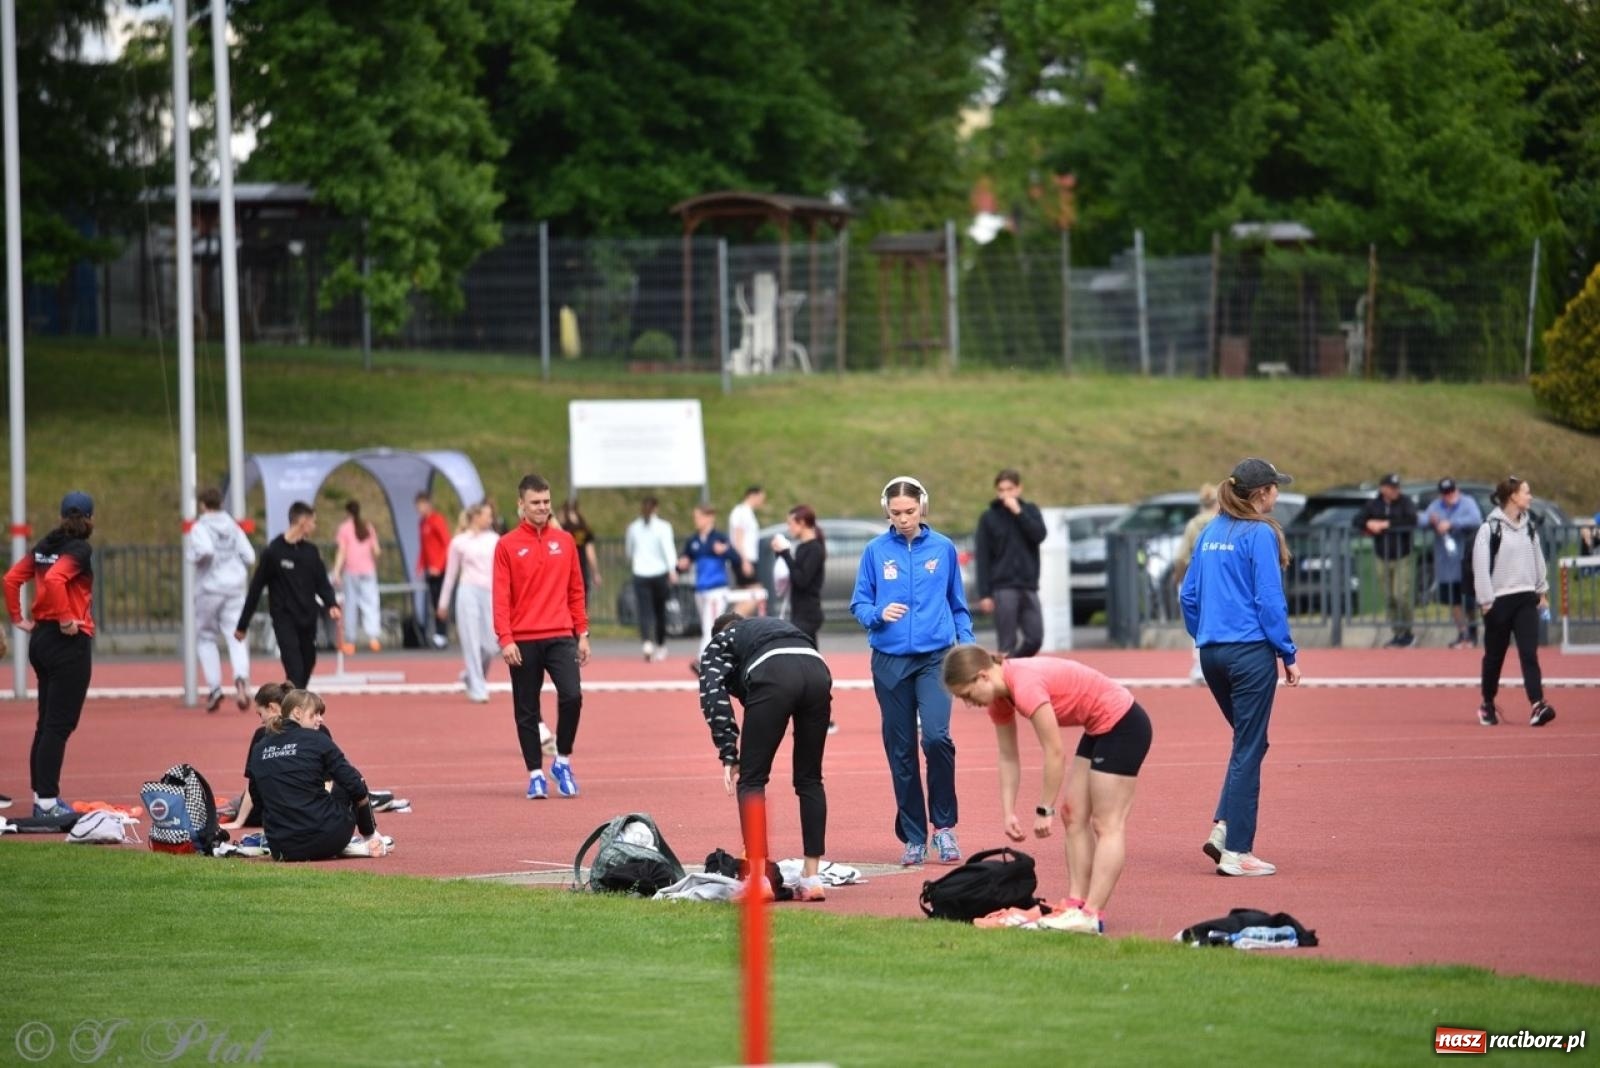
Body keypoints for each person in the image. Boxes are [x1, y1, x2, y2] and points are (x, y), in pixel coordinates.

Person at [942, 645, 1153, 935]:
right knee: (1073, 814)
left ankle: (1092, 914)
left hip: (1123, 725)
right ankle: (1076, 905)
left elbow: (1054, 752)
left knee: (1107, 823)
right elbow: (1007, 756)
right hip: (1099, 728)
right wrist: (1008, 813)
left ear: (982, 677)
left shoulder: (1025, 685)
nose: (969, 703)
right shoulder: (999, 699)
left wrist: (1044, 808)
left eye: (967, 695)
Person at [1180, 458, 1302, 878]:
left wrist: (1204, 635)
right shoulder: (1260, 534)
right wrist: (1287, 652)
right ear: (1261, 493)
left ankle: (1223, 826)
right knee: (1249, 745)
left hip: (1212, 654)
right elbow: (1270, 599)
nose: (1278, 495)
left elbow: (1188, 596)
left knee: (1249, 742)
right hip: (1249, 654)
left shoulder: (1210, 530)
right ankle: (1238, 850)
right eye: (1275, 488)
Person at [851, 476, 974, 867]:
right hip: (889, 662)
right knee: (900, 750)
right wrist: (877, 615)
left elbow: (958, 605)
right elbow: (859, 603)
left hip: (935, 658)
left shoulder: (943, 548)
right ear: (885, 510)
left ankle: (945, 828)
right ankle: (914, 837)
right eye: (896, 513)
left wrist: (967, 645)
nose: (904, 519)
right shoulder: (874, 551)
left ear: (923, 506)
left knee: (937, 738)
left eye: (910, 511)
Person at [697, 611, 833, 902]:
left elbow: (712, 695)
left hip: (774, 674)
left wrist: (729, 752)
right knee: (810, 779)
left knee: (752, 781)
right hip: (817, 670)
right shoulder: (770, 626)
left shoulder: (721, 641)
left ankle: (758, 879)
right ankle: (812, 878)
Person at [494, 473, 590, 800]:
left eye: (546, 502)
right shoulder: (506, 544)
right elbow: (500, 596)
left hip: (561, 634)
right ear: (521, 504)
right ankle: (535, 773)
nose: (542, 508)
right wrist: (505, 638)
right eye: (535, 503)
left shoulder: (565, 543)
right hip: (522, 640)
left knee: (572, 695)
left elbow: (576, 590)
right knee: (527, 709)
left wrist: (583, 633)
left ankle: (562, 760)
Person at [4, 491, 98, 819]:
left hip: (40, 639)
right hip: (66, 641)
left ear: (62, 516)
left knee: (46, 724)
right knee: (59, 725)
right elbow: (58, 580)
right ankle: (46, 801)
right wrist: (65, 617)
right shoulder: (79, 549)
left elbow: (11, 578)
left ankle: (41, 796)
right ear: (90, 518)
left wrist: (17, 618)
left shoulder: (45, 546)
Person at [247, 688, 390, 861]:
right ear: (298, 713)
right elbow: (355, 785)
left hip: (281, 847)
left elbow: (257, 798)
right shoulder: (318, 740)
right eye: (315, 714)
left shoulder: (259, 747)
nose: (320, 720)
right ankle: (371, 837)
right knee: (354, 779)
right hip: (328, 838)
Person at [1473, 476, 1556, 728]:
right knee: (1494, 657)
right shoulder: (1489, 529)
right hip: (1498, 602)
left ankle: (1537, 704)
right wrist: (1486, 602)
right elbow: (1480, 566)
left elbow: (1537, 559)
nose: (1530, 497)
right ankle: (1487, 703)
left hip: (1525, 599)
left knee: (1529, 653)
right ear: (1513, 497)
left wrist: (1541, 590)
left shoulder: (1529, 527)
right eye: (1526, 492)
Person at [234, 500, 342, 689]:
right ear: (303, 521)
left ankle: (291, 701)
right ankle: (294, 713)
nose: (314, 527)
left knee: (308, 663)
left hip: (308, 618)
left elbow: (322, 583)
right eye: (313, 522)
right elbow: (256, 588)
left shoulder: (311, 552)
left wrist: (332, 604)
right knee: (295, 669)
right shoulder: (274, 552)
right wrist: (243, 624)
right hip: (284, 619)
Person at [188, 487, 257, 711]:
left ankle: (215, 687)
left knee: (206, 637)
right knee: (236, 635)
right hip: (234, 588)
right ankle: (241, 678)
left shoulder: (200, 527)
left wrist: (195, 557)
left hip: (209, 589)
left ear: (203, 505)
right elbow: (249, 556)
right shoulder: (233, 527)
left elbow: (206, 550)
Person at [973, 468, 1047, 658]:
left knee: (1035, 638)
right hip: (1003, 587)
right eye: (1001, 490)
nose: (1005, 494)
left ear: (1018, 488)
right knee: (1007, 642)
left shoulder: (1030, 511)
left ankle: (1012, 668)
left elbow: (1039, 535)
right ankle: (1006, 682)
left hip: (1028, 585)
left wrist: (1019, 512)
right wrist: (985, 594)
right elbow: (982, 557)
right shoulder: (989, 518)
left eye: (1009, 489)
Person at [773, 505, 832, 732]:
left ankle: (821, 713)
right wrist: (782, 555)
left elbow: (802, 580)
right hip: (801, 613)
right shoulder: (805, 547)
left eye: (791, 523)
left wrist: (785, 553)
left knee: (808, 665)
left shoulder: (814, 549)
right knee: (810, 665)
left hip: (808, 615)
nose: (789, 528)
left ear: (802, 523)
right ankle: (818, 713)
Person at [439, 502, 500, 702]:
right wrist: (443, 603)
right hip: (467, 593)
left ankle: (470, 675)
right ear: (475, 517)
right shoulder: (459, 542)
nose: (490, 519)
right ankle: (477, 687)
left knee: (491, 644)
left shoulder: (494, 539)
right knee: (471, 641)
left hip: (489, 593)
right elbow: (450, 575)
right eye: (487, 515)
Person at [1354, 473, 1419, 648]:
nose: (1395, 491)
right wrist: (1369, 524)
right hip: (1382, 556)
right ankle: (1397, 633)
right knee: (1389, 597)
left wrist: (1386, 524)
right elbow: (1357, 520)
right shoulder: (1374, 504)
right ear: (1383, 488)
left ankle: (1408, 631)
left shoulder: (1405, 502)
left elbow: (1412, 520)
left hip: (1402, 555)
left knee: (1400, 594)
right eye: (1391, 487)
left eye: (1397, 487)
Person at [1425, 478, 1484, 650]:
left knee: (1469, 600)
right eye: (1445, 493)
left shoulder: (1467, 503)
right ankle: (1462, 633)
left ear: (1456, 490)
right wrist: (1432, 521)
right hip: (1446, 564)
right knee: (1453, 601)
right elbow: (1423, 518)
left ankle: (1473, 634)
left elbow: (1475, 519)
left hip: (1466, 560)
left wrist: (1451, 523)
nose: (1449, 496)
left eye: (1451, 491)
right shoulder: (1436, 506)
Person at [679, 504, 743, 658]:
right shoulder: (693, 540)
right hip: (700, 588)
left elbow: (736, 559)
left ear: (710, 518)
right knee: (705, 625)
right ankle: (718, 654)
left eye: (699, 517)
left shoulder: (719, 538)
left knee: (711, 625)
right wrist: (680, 566)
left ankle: (704, 657)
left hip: (716, 588)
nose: (696, 520)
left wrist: (725, 550)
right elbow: (684, 561)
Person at [1173, 483, 1220, 683]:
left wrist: (1178, 578)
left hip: (1197, 580)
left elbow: (1181, 557)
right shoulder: (1223, 522)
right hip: (1220, 581)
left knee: (1197, 626)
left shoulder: (1194, 525)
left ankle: (1201, 667)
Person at [624, 496, 677, 663]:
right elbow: (668, 549)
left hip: (640, 572)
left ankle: (647, 642)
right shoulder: (664, 527)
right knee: (660, 610)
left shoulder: (633, 527)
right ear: (656, 508)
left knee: (645, 610)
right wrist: (672, 569)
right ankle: (660, 644)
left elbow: (629, 551)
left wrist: (635, 561)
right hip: (659, 572)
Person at [331, 499, 383, 655]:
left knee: (351, 606)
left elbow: (342, 551)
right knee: (371, 603)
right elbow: (377, 550)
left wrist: (336, 571)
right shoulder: (368, 527)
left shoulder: (344, 528)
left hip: (351, 570)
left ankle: (351, 641)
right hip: (368, 570)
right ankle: (373, 638)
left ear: (347, 512)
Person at [416, 492, 452, 649]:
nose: (419, 509)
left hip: (440, 569)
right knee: (433, 602)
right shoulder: (422, 523)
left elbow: (446, 544)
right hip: (430, 570)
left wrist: (439, 565)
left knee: (441, 602)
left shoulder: (437, 520)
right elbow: (424, 547)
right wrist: (420, 565)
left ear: (428, 504)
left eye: (422, 505)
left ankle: (442, 634)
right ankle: (438, 633)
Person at [556, 499, 601, 607]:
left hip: (563, 573)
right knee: (580, 606)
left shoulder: (560, 528)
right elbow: (590, 553)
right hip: (580, 572)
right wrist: (595, 573)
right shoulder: (583, 528)